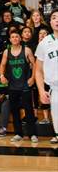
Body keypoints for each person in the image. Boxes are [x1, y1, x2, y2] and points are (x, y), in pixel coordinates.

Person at [0, 31, 38, 143]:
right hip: (12, 86)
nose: (15, 38)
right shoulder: (7, 52)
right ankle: (18, 133)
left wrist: (33, 77)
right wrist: (2, 75)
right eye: (13, 37)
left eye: (17, 37)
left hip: (25, 85)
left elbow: (34, 64)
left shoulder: (26, 50)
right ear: (10, 40)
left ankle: (33, 134)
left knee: (29, 110)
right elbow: (2, 64)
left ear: (20, 39)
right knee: (15, 110)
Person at [35, 8, 58, 144]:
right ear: (50, 22)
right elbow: (38, 70)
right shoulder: (44, 43)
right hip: (54, 88)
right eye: (54, 17)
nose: (57, 20)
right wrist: (41, 90)